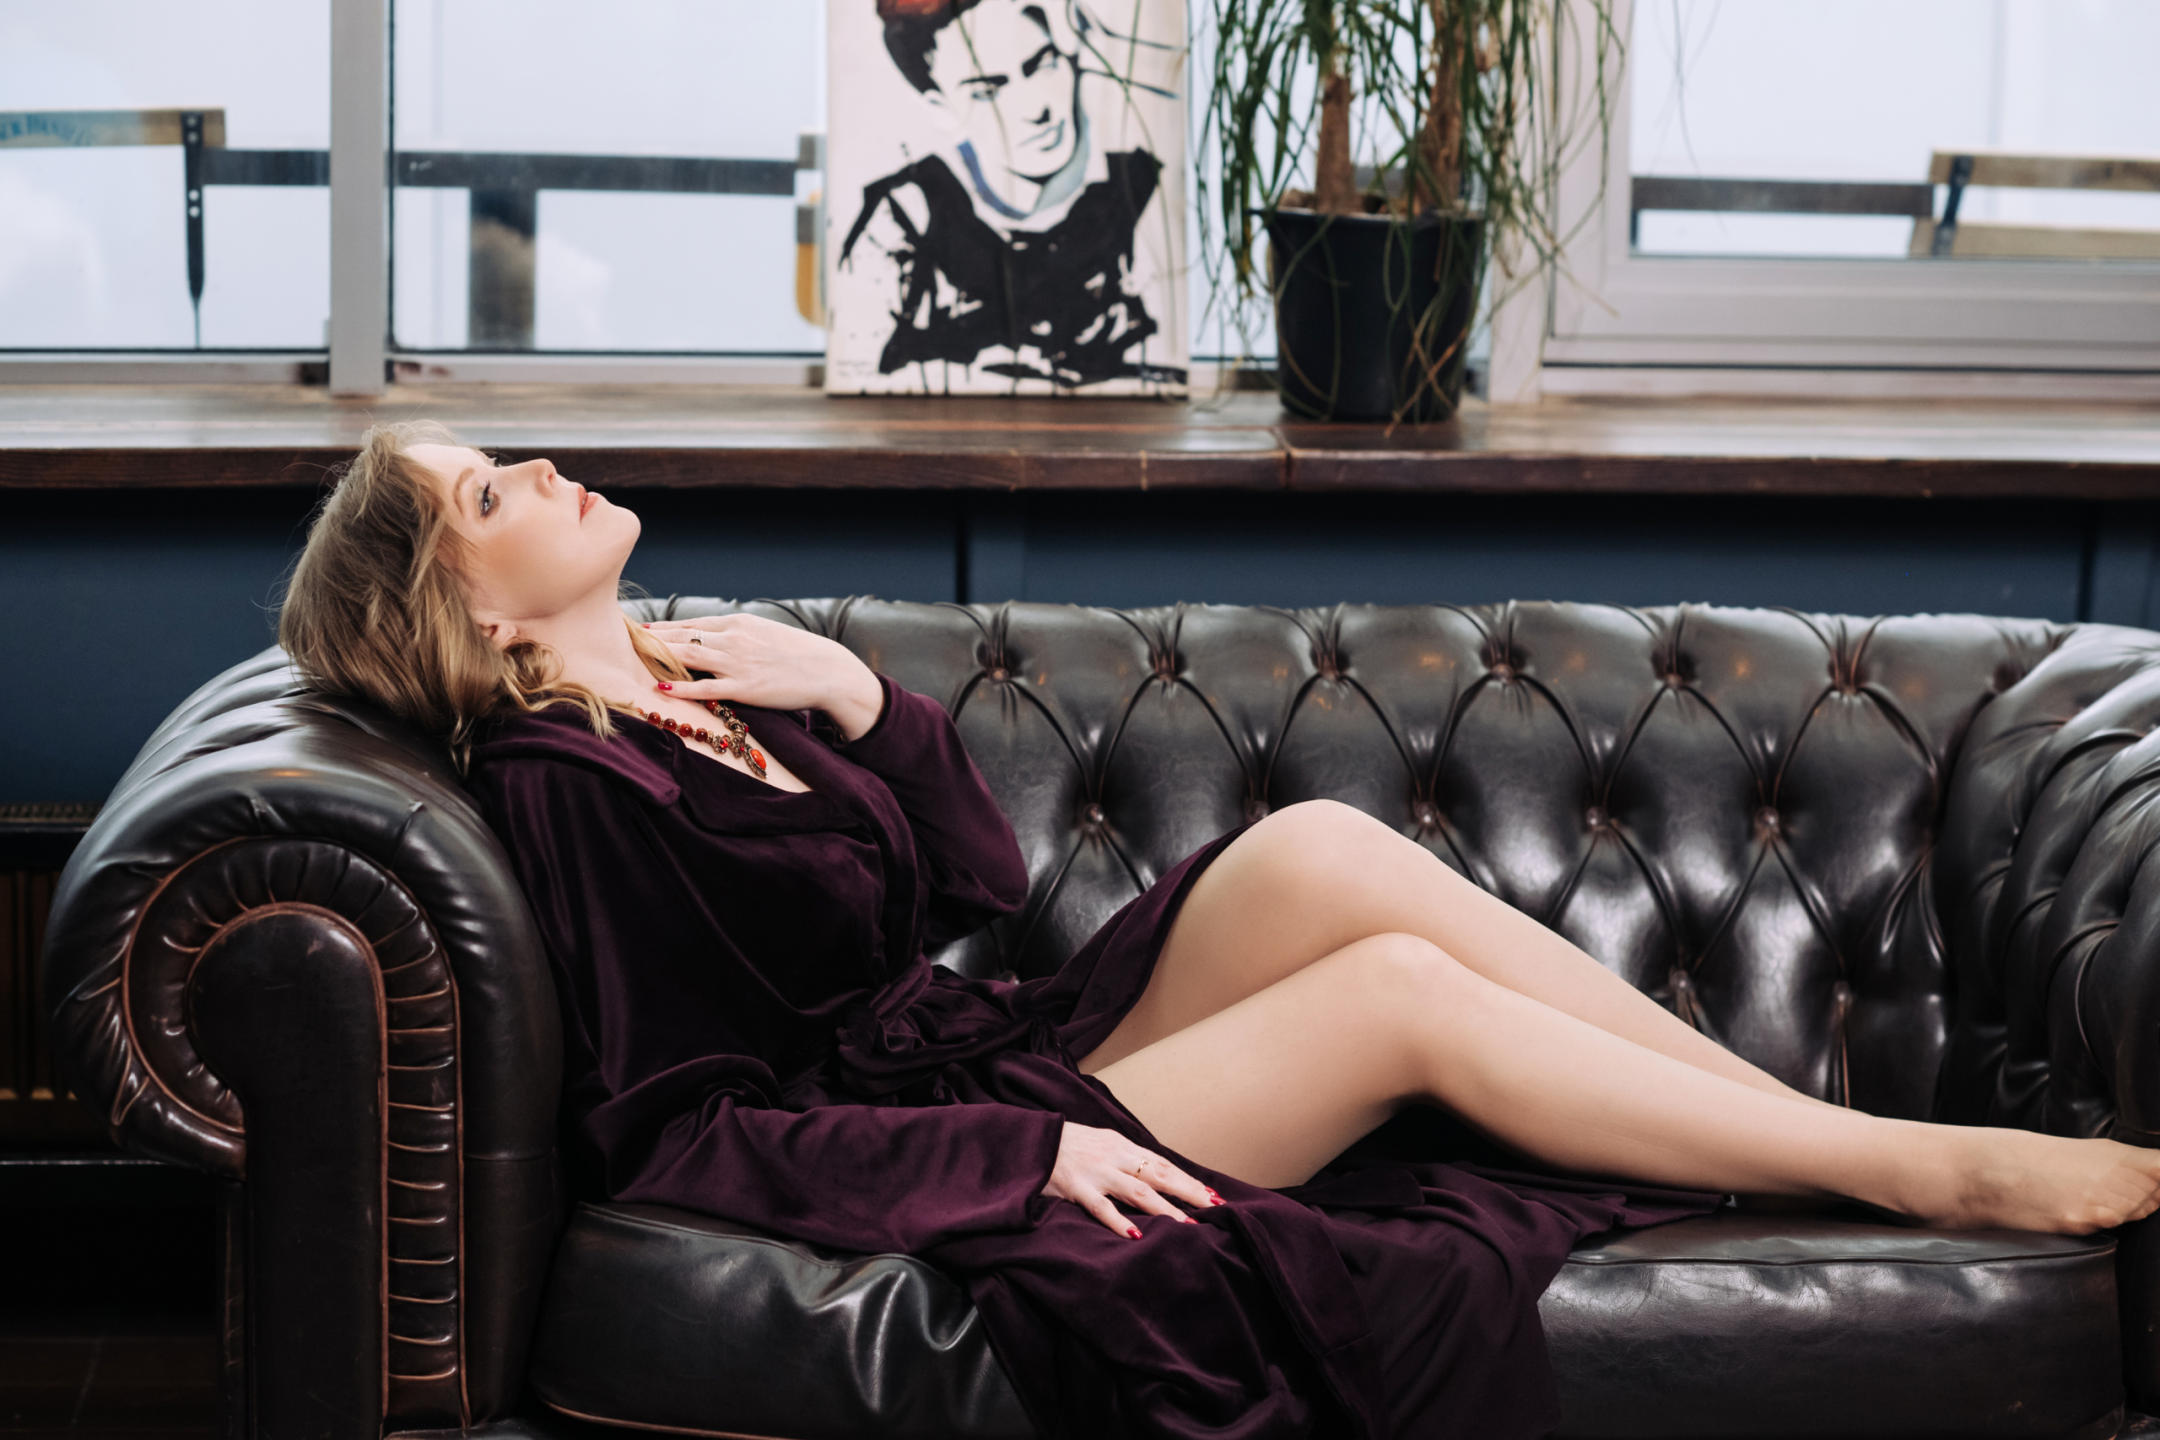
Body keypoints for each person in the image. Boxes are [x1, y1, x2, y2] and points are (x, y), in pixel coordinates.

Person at [277, 420, 2160, 1440]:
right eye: (489, 493)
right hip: (947, 1123)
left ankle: (1793, 1138)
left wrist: (854, 697)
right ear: (474, 613)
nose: (542, 467)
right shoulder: (562, 784)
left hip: (981, 1044)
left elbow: (972, 891)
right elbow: (676, 1127)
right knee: (1396, 995)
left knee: (1323, 848)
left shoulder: (703, 678)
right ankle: (1909, 1171)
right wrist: (1016, 1163)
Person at [836, 0, 1186, 389]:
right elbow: (869, 370)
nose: (1036, 108)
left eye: (1043, 65)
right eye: (987, 90)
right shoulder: (903, 217)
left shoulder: (1139, 193)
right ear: (941, 108)